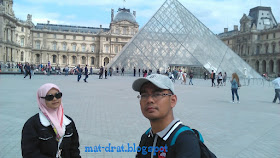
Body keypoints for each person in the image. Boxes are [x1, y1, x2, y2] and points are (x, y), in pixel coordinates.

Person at [132, 74, 201, 157]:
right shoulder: (147, 136)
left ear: (173, 100)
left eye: (157, 94)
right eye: (144, 95)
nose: (149, 100)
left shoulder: (186, 141)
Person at [21, 83, 81, 158]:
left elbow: (74, 149)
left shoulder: (68, 122)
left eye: (58, 95)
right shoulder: (32, 124)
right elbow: (29, 154)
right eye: (49, 97)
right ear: (41, 100)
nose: (55, 99)